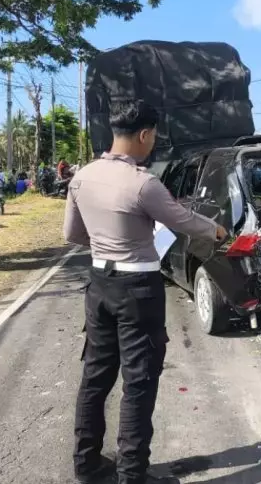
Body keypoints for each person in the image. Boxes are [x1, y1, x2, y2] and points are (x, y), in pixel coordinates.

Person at [64, 100, 227, 484]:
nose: (152, 144)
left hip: (99, 286)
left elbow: (71, 234)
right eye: (152, 136)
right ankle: (132, 474)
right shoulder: (143, 183)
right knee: (139, 381)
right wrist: (218, 231)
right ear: (143, 134)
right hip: (138, 289)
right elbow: (183, 220)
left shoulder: (81, 176)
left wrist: (107, 243)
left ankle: (86, 466)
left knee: (96, 376)